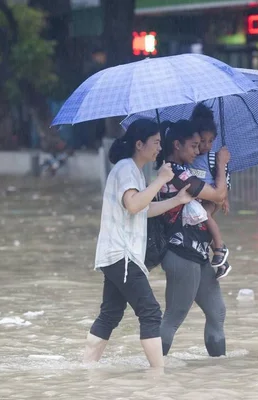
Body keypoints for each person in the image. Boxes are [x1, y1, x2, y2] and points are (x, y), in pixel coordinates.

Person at [83, 118, 193, 368]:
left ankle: (87, 367)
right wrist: (161, 180)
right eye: (155, 143)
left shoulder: (134, 171)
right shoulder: (125, 169)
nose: (158, 148)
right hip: (122, 255)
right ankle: (157, 375)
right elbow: (133, 204)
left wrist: (177, 200)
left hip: (117, 254)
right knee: (151, 312)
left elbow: (143, 208)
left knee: (110, 314)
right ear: (139, 144)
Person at [156, 119, 231, 357]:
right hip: (181, 253)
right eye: (193, 146)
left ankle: (218, 374)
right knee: (173, 318)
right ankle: (152, 375)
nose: (198, 151)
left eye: (200, 145)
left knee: (217, 311)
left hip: (197, 252)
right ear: (177, 145)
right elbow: (218, 194)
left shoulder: (186, 172)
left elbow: (207, 209)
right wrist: (221, 164)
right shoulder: (174, 174)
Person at [188, 103, 232, 279]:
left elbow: (225, 181)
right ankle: (223, 263)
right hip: (196, 198)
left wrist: (224, 200)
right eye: (202, 141)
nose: (205, 146)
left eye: (210, 141)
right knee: (203, 221)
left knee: (204, 216)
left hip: (211, 198)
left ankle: (220, 249)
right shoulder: (189, 156)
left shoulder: (213, 158)